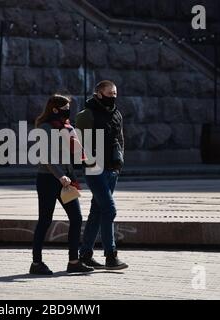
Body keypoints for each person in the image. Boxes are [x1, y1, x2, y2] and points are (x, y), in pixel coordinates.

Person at [30, 94, 94, 275]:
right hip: (48, 180)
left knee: (76, 218)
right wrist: (60, 176)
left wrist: (73, 174)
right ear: (55, 109)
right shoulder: (44, 128)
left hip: (65, 179)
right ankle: (36, 263)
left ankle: (73, 261)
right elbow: (47, 157)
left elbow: (71, 155)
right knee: (45, 220)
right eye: (65, 108)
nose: (68, 111)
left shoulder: (67, 128)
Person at [76, 80, 129, 270]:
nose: (113, 97)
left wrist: (119, 164)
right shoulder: (85, 115)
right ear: (98, 94)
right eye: (109, 94)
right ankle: (110, 256)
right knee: (109, 210)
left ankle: (85, 254)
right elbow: (78, 144)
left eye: (115, 94)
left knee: (97, 211)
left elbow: (120, 139)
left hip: (112, 169)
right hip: (94, 169)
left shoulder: (117, 114)